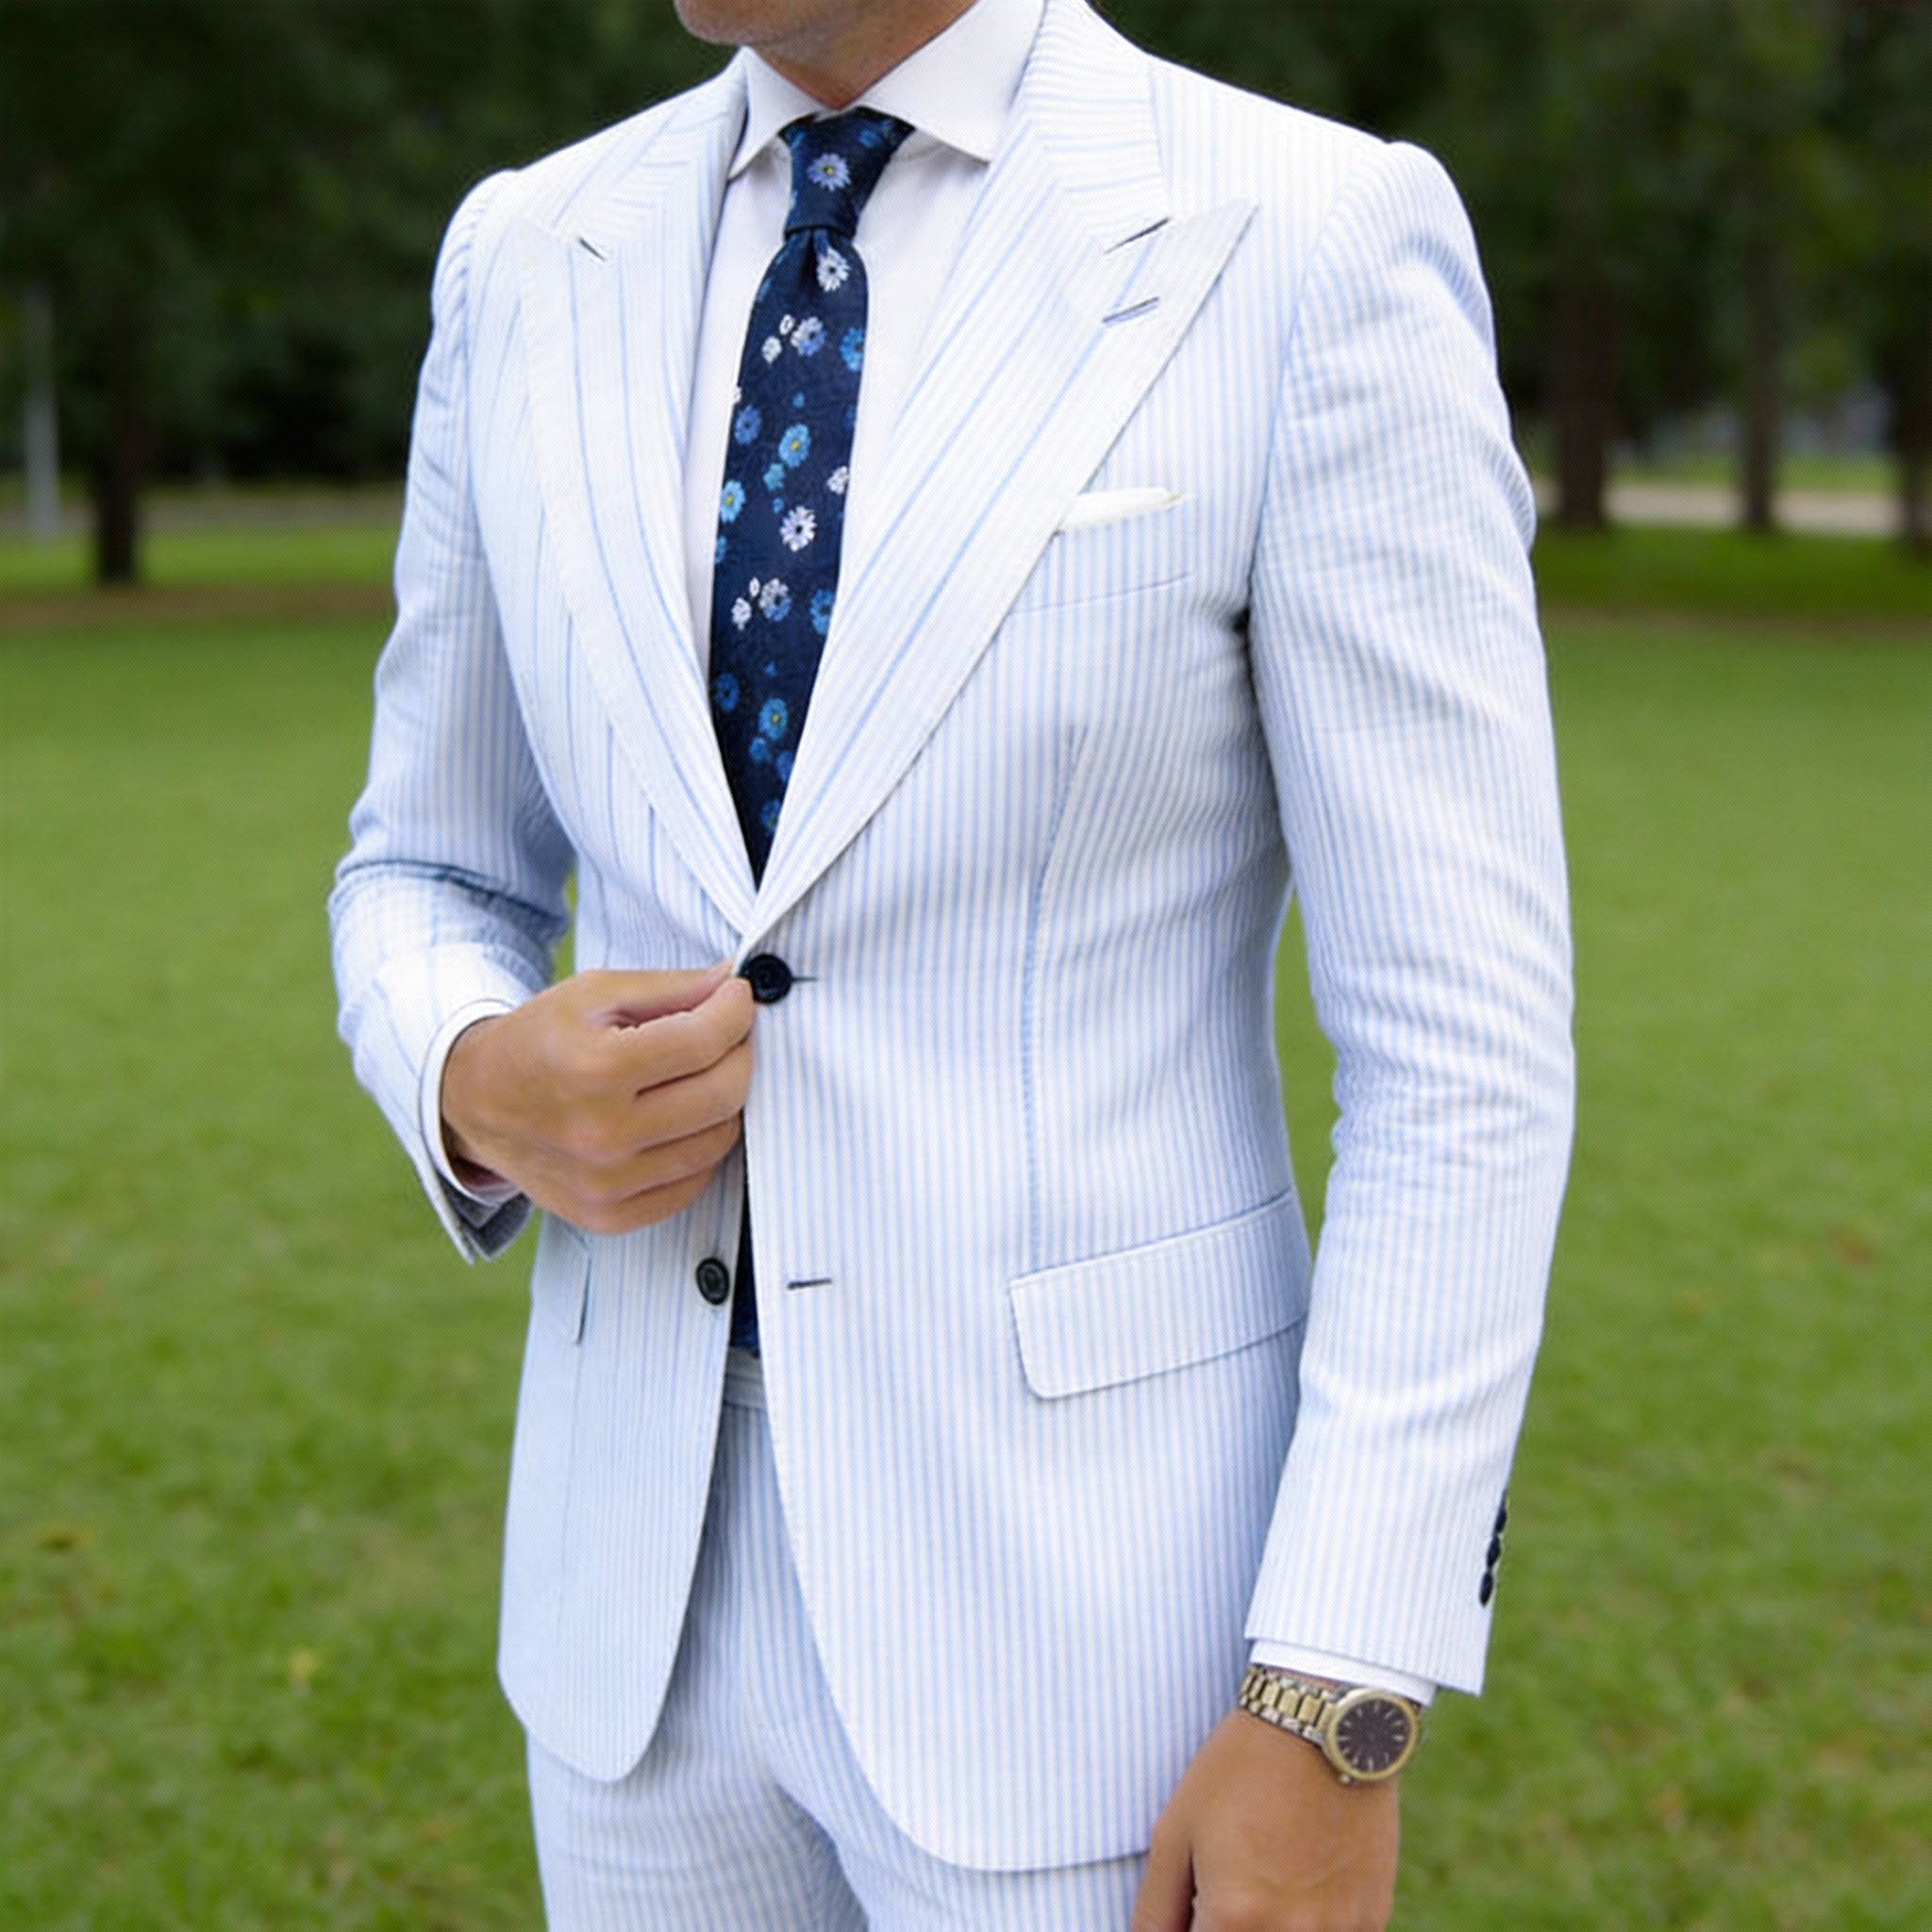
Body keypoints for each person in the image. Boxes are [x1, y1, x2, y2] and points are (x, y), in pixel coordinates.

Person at [329, 0, 1574, 1924]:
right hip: (626, 1641)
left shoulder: (1304, 240)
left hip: (1107, 1649)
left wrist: (1336, 1688)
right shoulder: (526, 252)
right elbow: (420, 859)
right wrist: (468, 1077)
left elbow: (1459, 1046)